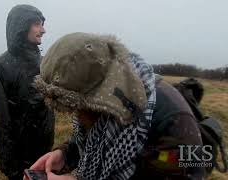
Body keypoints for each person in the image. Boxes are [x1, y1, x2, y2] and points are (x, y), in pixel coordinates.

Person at [29, 32, 205, 179]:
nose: (76, 113)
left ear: (96, 95)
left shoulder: (175, 124)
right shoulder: (99, 105)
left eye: (79, 105)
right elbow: (90, 138)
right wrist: (64, 155)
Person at [0, 4, 55, 179]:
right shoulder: (0, 68)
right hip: (18, 162)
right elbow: (0, 123)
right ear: (21, 25)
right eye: (37, 24)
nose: (43, 30)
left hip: (45, 156)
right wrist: (11, 169)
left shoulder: (44, 64)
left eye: (43, 24)